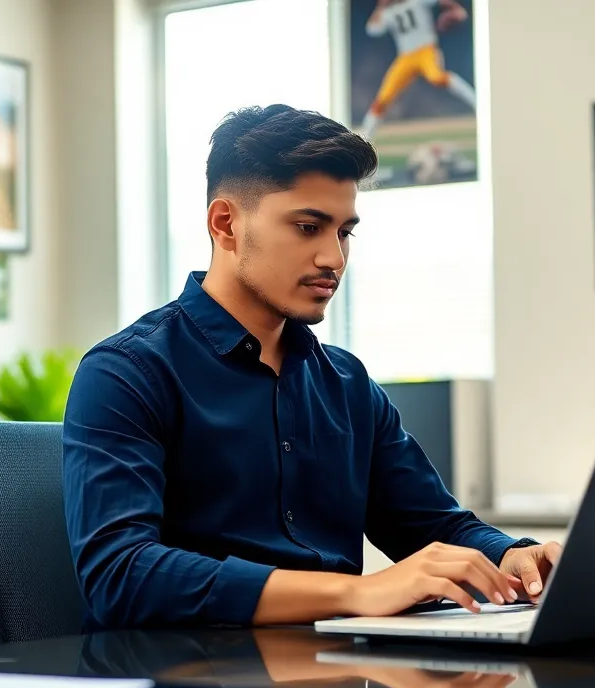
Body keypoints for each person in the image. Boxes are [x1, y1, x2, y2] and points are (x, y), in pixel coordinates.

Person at [62, 104, 561, 630]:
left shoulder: (347, 384)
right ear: (225, 223)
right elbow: (120, 575)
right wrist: (357, 593)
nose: (334, 258)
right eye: (308, 227)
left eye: (344, 232)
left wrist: (513, 556)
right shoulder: (127, 373)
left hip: (334, 680)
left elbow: (434, 525)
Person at [358, 0, 476, 140]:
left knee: (437, 77)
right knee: (383, 98)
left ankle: (477, 103)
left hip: (426, 49)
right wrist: (380, 7)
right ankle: (364, 138)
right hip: (406, 56)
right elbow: (373, 30)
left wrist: (456, 9)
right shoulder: (387, 12)